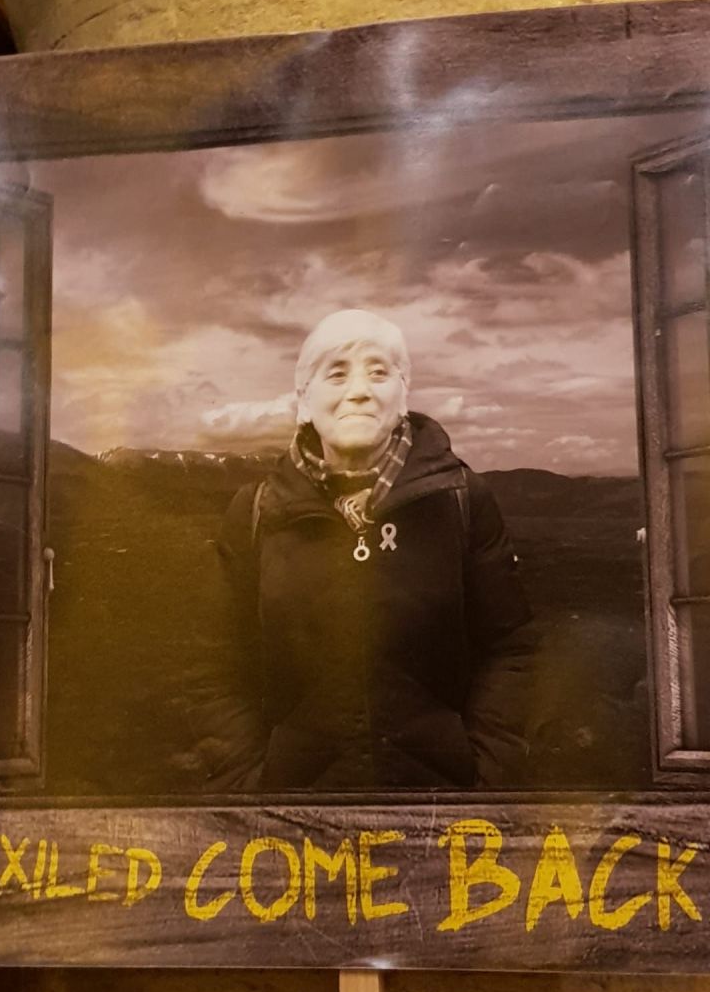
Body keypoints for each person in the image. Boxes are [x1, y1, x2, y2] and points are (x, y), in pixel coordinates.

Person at [206, 308, 535, 791]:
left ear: (404, 395)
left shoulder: (462, 501)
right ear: (304, 402)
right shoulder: (257, 512)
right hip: (290, 811)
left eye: (378, 372)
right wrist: (249, 786)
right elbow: (214, 663)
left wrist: (484, 778)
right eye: (336, 374)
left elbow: (511, 649)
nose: (358, 390)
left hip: (441, 806)